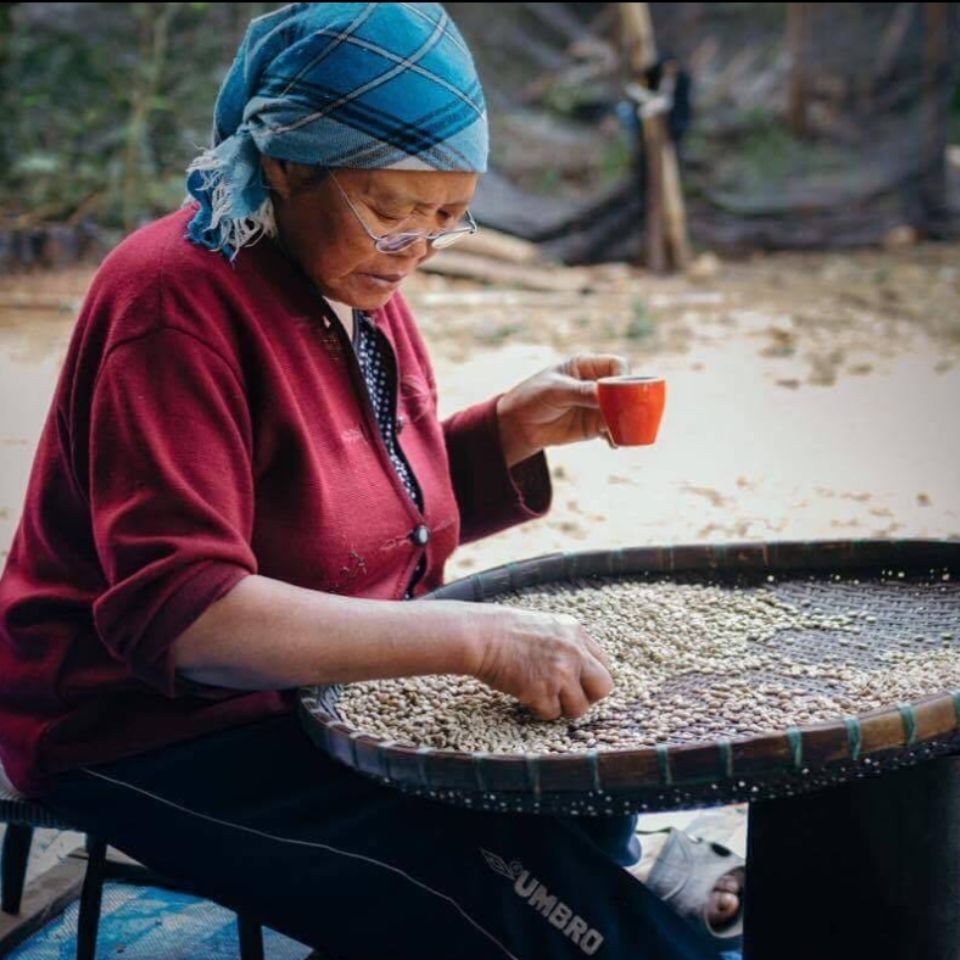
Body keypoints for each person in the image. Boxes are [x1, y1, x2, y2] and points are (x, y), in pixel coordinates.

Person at [0, 5, 740, 957]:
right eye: (395, 210)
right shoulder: (172, 299)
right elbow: (186, 619)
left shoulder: (351, 279)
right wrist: (472, 635)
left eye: (447, 216)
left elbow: (347, 520)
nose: (419, 248)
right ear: (287, 163)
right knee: (537, 910)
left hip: (308, 694)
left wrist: (506, 432)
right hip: (146, 726)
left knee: (577, 793)